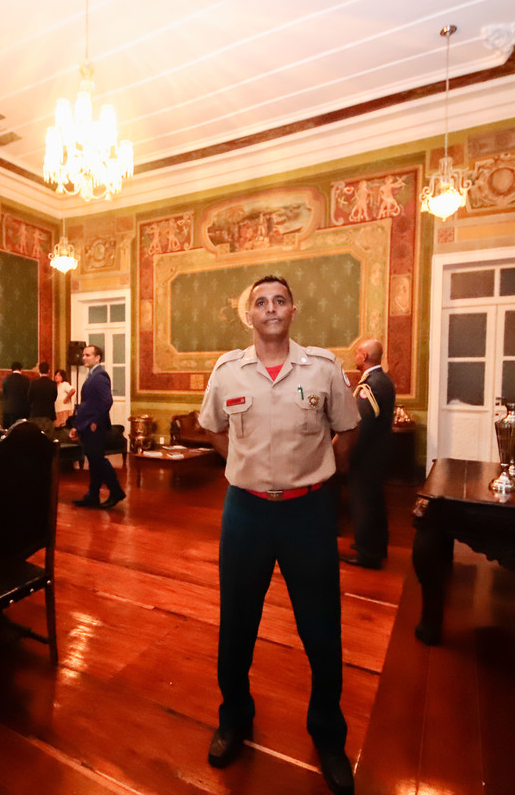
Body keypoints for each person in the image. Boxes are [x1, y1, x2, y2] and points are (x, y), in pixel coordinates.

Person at [197, 275, 359, 795]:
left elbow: (347, 429)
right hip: (245, 513)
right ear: (250, 315)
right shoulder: (227, 372)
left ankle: (328, 735)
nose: (270, 308)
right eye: (260, 302)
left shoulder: (324, 368)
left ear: (294, 309)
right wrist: (244, 469)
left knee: (321, 628)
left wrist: (323, 473)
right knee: (237, 622)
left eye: (279, 300)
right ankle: (234, 719)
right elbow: (214, 430)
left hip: (308, 515)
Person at [340, 338, 396, 569]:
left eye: (356, 354)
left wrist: (348, 453)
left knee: (362, 502)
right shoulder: (384, 380)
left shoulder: (369, 386)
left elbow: (361, 425)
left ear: (363, 356)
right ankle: (378, 546)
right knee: (376, 501)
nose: (354, 358)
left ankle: (367, 554)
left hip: (366, 457)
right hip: (380, 453)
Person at [70, 345, 125, 509]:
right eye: (83, 355)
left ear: (97, 358)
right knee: (94, 462)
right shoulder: (93, 375)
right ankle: (92, 495)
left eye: (88, 355)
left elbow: (107, 401)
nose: (84, 358)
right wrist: (78, 426)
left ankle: (116, 491)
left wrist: (95, 421)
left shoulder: (99, 376)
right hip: (88, 426)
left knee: (97, 460)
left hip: (94, 427)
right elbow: (89, 404)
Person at [27, 361, 58, 434]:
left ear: (39, 370)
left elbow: (29, 398)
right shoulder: (53, 384)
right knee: (48, 436)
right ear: (49, 371)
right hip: (49, 414)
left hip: (36, 413)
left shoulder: (33, 383)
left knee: (36, 435)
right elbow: (54, 398)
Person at [1, 361, 30, 428]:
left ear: (12, 369)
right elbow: (28, 395)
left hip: (9, 409)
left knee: (11, 430)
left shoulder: (6, 380)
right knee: (22, 430)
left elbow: (5, 394)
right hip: (23, 410)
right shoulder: (26, 380)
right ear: (21, 369)